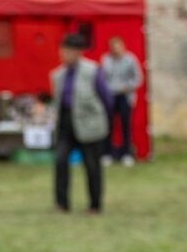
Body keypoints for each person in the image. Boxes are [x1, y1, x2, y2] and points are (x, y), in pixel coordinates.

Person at [51, 33, 112, 214]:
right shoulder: (58, 75)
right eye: (63, 50)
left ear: (78, 52)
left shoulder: (92, 71)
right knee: (60, 161)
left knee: (92, 166)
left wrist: (102, 122)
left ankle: (95, 204)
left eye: (68, 51)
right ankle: (62, 203)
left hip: (89, 124)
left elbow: (106, 98)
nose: (64, 54)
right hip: (66, 123)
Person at [100, 37, 143, 166]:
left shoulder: (130, 60)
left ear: (123, 47)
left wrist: (128, 86)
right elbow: (102, 78)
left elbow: (138, 78)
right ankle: (107, 154)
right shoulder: (106, 60)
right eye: (113, 48)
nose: (116, 50)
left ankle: (127, 154)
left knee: (125, 126)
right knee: (108, 126)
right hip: (110, 96)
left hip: (124, 96)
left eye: (118, 47)